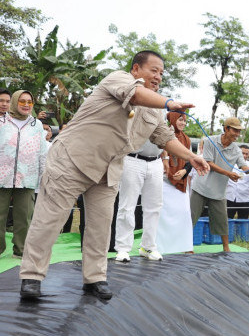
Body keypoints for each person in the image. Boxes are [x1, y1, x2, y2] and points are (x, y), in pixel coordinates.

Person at [18, 50, 210, 300]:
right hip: (72, 159)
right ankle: (32, 276)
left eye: (162, 73)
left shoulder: (154, 110)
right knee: (49, 220)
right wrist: (168, 103)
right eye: (154, 70)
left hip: (108, 169)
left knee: (100, 226)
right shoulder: (117, 79)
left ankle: (94, 278)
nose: (158, 77)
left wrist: (191, 156)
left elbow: (164, 137)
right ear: (136, 70)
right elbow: (135, 94)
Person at [190, 117, 249, 252]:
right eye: (235, 131)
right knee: (191, 218)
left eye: (239, 132)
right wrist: (228, 174)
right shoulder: (209, 141)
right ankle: (186, 246)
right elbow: (209, 163)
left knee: (222, 220)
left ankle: (226, 247)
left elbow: (244, 168)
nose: (237, 134)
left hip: (219, 191)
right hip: (200, 187)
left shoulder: (236, 150)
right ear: (226, 129)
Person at [0, 90, 49, 259]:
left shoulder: (37, 125)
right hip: (2, 177)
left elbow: (42, 153)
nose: (26, 105)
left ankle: (21, 250)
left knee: (24, 217)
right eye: (22, 101)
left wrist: (42, 177)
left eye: (30, 102)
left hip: (28, 177)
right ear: (15, 102)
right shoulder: (2, 122)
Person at [113, 139, 165, 262]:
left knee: (155, 207)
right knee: (127, 206)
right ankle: (123, 249)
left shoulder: (166, 119)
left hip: (157, 161)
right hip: (133, 159)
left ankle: (148, 247)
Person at [155, 111, 194, 255]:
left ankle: (184, 246)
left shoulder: (186, 139)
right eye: (180, 120)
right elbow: (158, 153)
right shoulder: (163, 134)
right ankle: (160, 247)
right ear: (171, 119)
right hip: (164, 180)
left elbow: (191, 159)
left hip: (181, 182)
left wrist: (184, 172)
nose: (183, 123)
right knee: (163, 214)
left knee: (183, 213)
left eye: (184, 121)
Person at [225, 145, 249, 219]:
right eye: (242, 153)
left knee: (243, 222)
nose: (244, 155)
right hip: (229, 197)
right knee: (227, 220)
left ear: (248, 155)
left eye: (246, 154)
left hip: (245, 199)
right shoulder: (229, 164)